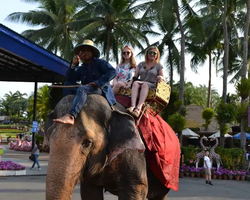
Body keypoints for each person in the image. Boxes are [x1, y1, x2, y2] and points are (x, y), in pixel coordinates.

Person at [53, 39, 117, 125]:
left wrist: (98, 82)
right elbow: (70, 79)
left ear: (92, 53)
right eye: (83, 51)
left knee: (82, 89)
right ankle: (66, 110)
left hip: (99, 89)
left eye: (88, 51)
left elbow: (113, 72)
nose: (85, 53)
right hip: (87, 88)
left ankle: (71, 116)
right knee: (67, 85)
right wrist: (74, 65)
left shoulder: (100, 62)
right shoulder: (81, 68)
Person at [125, 46, 165, 117]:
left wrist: (160, 77)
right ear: (147, 53)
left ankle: (138, 108)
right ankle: (132, 106)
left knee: (145, 85)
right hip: (140, 82)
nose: (152, 54)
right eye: (150, 52)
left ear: (157, 55)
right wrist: (129, 84)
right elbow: (135, 77)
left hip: (151, 84)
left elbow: (163, 78)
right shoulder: (141, 64)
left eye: (154, 53)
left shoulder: (159, 65)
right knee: (135, 83)